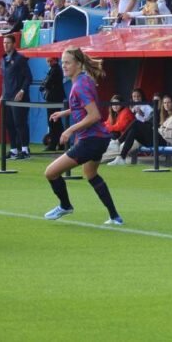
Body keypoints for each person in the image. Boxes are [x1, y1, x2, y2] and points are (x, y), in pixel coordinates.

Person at [43, 48, 122, 226]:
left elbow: (94, 115)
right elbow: (84, 106)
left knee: (51, 172)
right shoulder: (84, 80)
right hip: (99, 138)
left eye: (67, 62)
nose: (64, 66)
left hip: (91, 140)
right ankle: (115, 217)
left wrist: (69, 130)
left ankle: (65, 206)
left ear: (78, 64)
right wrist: (65, 113)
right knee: (91, 174)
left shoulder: (80, 85)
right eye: (62, 62)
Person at [2, 34, 33, 160]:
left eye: (8, 43)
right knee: (9, 124)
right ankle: (14, 150)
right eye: (4, 43)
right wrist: (2, 94)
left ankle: (25, 150)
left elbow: (28, 77)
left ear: (14, 44)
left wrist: (22, 91)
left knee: (20, 123)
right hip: (7, 98)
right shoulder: (4, 59)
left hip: (19, 98)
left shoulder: (20, 59)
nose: (5, 45)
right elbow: (5, 80)